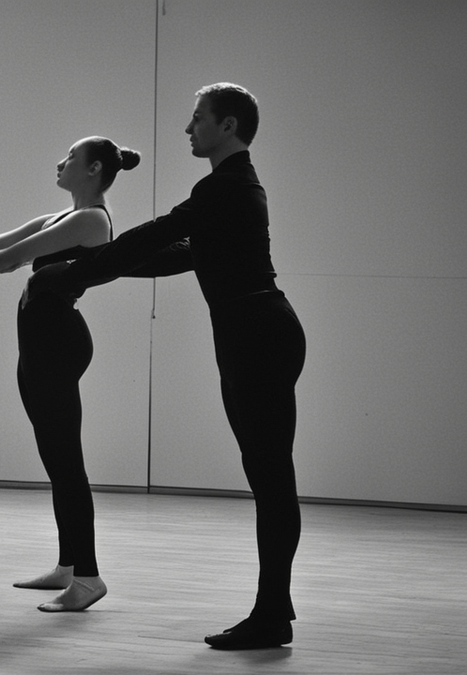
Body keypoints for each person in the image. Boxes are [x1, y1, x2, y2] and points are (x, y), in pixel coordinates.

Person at [28, 84, 306, 649]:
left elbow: (157, 234)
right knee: (271, 476)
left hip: (257, 337)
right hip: (256, 333)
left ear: (227, 126)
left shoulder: (222, 187)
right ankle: (274, 609)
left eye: (198, 118)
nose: (188, 128)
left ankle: (273, 614)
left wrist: (78, 272)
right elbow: (181, 255)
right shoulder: (235, 187)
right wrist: (91, 267)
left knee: (271, 478)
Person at [0, 136, 140, 613]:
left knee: (66, 461)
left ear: (92, 170)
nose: (60, 161)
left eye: (70, 156)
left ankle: (88, 578)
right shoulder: (59, 218)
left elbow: (11, 260)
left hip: (57, 344)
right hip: (40, 346)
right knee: (55, 459)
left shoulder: (92, 219)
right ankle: (68, 566)